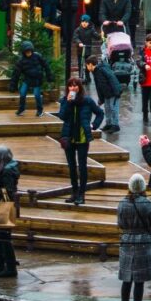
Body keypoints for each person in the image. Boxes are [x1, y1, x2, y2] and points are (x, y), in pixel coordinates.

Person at [117, 174, 151, 301]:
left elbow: (120, 224)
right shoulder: (146, 203)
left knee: (126, 278)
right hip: (143, 242)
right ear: (142, 187)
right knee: (139, 280)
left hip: (127, 241)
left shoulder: (122, 203)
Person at [59, 76, 104, 205]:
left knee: (82, 166)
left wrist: (93, 125)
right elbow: (62, 116)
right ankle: (74, 192)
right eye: (71, 85)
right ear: (68, 88)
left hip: (82, 137)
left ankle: (81, 194)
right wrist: (68, 102)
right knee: (71, 166)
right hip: (68, 136)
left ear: (80, 87)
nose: (73, 88)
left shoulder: (87, 101)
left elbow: (100, 113)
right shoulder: (64, 100)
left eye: (75, 85)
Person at [0, 145, 20, 277]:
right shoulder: (3, 168)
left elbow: (9, 190)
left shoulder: (7, 171)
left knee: (3, 238)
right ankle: (0, 263)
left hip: (4, 206)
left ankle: (11, 267)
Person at [11, 40, 51, 117]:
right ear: (24, 52)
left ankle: (40, 110)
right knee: (22, 94)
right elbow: (16, 74)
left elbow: (46, 65)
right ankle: (22, 109)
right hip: (27, 79)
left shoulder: (38, 56)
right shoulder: (21, 61)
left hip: (37, 79)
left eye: (29, 51)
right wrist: (13, 85)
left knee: (37, 95)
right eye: (26, 51)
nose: (28, 53)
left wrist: (49, 76)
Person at [89, 54, 123, 132]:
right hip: (107, 93)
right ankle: (109, 124)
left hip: (113, 92)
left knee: (113, 108)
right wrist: (101, 99)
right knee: (107, 108)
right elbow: (99, 87)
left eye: (87, 65)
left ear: (90, 64)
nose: (87, 68)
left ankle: (115, 125)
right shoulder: (96, 72)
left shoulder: (101, 70)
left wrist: (117, 91)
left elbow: (112, 79)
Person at [75, 14, 103, 84]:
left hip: (87, 49)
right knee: (80, 64)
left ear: (88, 22)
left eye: (86, 22)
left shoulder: (91, 29)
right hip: (80, 50)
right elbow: (75, 37)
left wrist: (100, 35)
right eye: (83, 22)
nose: (84, 23)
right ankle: (80, 76)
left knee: (88, 63)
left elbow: (96, 36)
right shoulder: (78, 30)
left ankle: (88, 77)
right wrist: (79, 43)